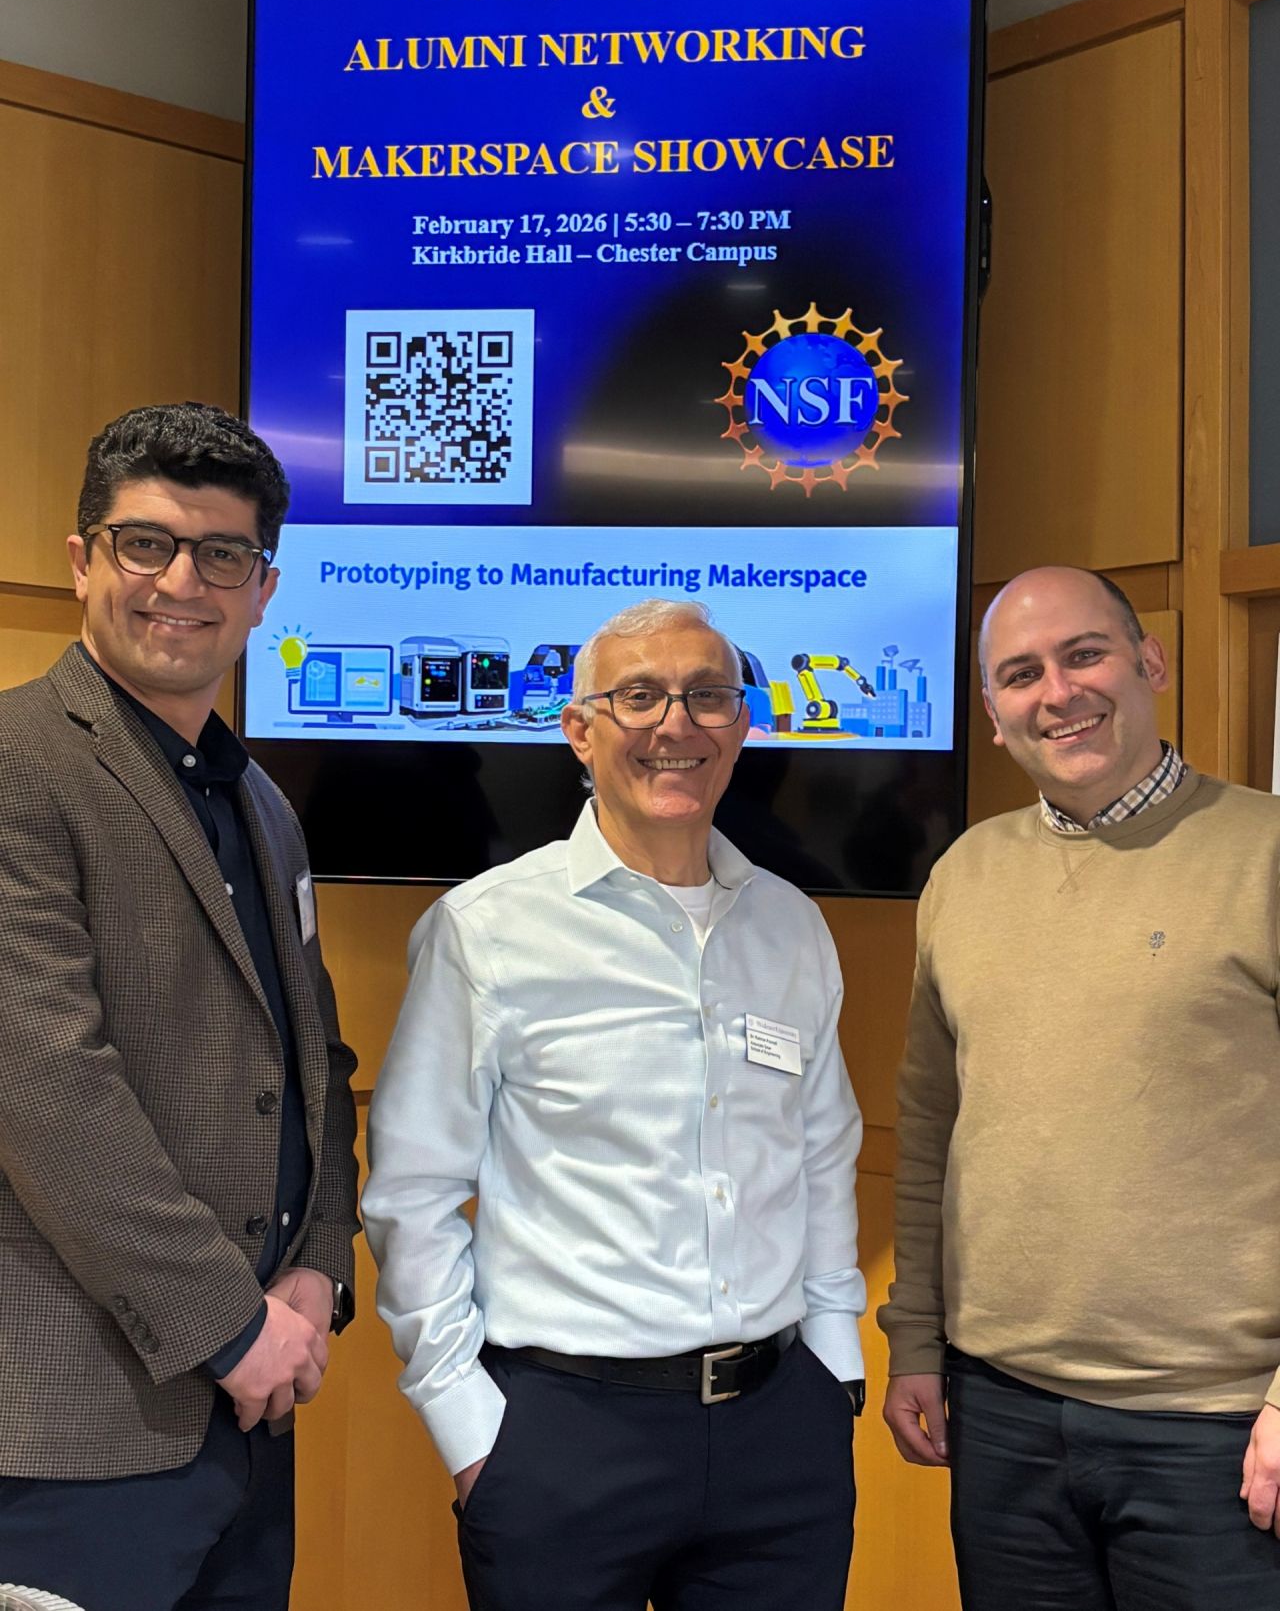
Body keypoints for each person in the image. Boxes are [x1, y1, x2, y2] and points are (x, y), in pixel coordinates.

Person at [364, 597, 865, 1611]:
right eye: (638, 696)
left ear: (742, 726)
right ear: (579, 730)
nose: (676, 724)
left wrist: (834, 1362)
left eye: (707, 696)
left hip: (782, 1435)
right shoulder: (486, 930)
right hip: (562, 1439)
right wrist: (470, 1427)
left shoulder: (792, 924)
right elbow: (412, 1193)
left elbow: (820, 1151)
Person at [0, 403, 360, 1611]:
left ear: (264, 589)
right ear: (81, 560)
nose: (181, 582)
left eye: (221, 554)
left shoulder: (261, 801)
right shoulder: (17, 765)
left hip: (246, 1418)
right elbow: (46, 1088)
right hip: (72, 1431)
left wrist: (317, 1270)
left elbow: (313, 1060)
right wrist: (230, 1325)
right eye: (145, 543)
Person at [879, 564, 1280, 1609]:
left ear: (1151, 662)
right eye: (1021, 674)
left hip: (1219, 1425)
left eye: (1084, 654)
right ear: (992, 714)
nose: (1057, 692)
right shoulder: (963, 875)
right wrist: (915, 1339)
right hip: (999, 1413)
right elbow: (929, 1131)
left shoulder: (1264, 852)